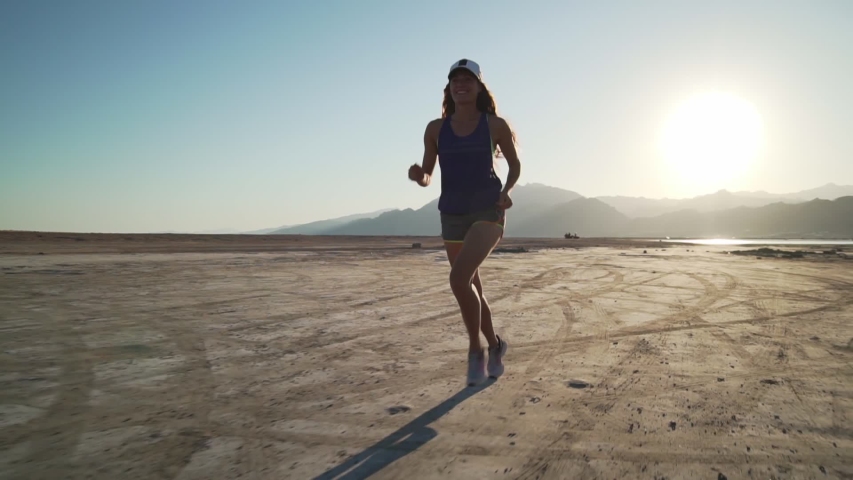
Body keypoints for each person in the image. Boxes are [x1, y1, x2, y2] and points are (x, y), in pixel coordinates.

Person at [408, 58, 522, 386]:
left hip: (488, 211)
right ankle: (496, 345)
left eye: (467, 79)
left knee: (459, 279)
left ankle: (476, 352)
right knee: (471, 286)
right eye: (455, 80)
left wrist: (506, 190)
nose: (461, 84)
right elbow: (429, 174)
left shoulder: (494, 125)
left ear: (478, 87)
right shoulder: (435, 129)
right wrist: (420, 176)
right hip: (452, 215)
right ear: (449, 88)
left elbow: (514, 165)